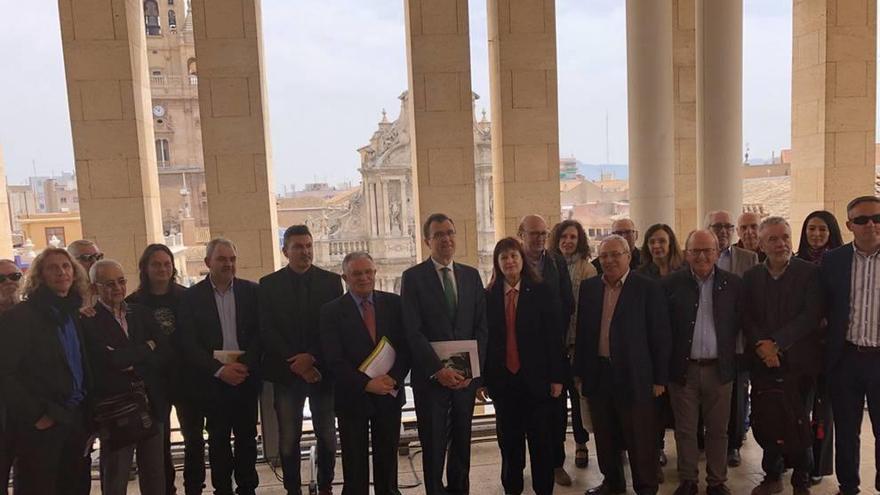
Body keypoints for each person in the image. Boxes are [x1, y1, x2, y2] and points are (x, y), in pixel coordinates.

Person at [574, 235, 671, 495]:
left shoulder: (647, 288)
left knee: (640, 439)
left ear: (628, 256)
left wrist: (660, 379)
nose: (609, 260)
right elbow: (584, 333)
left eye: (616, 254)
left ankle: (646, 487)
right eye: (604, 255)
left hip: (636, 376)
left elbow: (660, 336)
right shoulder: (590, 288)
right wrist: (581, 373)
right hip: (599, 375)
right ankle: (612, 483)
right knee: (605, 436)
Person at [400, 213, 488, 495]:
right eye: (439, 234)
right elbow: (412, 331)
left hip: (464, 380)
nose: (446, 239)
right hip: (431, 380)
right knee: (434, 446)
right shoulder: (412, 278)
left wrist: (471, 373)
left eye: (450, 232)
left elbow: (481, 327)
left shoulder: (471, 275)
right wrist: (438, 370)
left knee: (462, 445)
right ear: (428, 241)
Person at [0, 248, 92, 494]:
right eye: (53, 267)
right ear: (40, 276)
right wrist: (37, 416)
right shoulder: (20, 317)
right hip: (42, 424)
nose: (61, 272)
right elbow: (5, 375)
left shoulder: (74, 314)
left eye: (66, 266)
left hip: (75, 419)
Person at [742, 216, 823, 495]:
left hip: (799, 362)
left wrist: (777, 343)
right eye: (773, 239)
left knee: (798, 420)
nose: (781, 244)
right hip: (763, 363)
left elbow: (810, 316)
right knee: (769, 418)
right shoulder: (751, 277)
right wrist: (763, 347)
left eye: (785, 237)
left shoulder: (809, 273)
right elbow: (748, 317)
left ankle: (801, 477)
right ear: (761, 244)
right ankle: (772, 475)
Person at [319, 252, 410, 495]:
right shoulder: (330, 312)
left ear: (375, 273)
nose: (364, 278)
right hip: (352, 397)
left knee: (388, 458)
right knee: (354, 460)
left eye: (368, 272)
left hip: (389, 393)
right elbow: (333, 359)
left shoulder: (394, 304)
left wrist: (394, 378)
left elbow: (406, 347)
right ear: (345, 277)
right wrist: (366, 384)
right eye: (357, 273)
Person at [260, 225, 341, 495]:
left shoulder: (331, 282)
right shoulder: (269, 285)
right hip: (287, 374)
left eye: (308, 246)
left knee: (328, 436)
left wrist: (312, 358)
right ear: (285, 251)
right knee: (287, 439)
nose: (305, 251)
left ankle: (326, 485)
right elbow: (267, 330)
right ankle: (292, 489)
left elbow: (334, 327)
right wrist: (297, 363)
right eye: (298, 247)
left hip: (321, 373)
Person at [177, 238, 261, 495]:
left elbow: (262, 333)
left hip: (245, 377)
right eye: (222, 259)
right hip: (211, 381)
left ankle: (247, 488)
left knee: (247, 438)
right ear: (207, 263)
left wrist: (243, 366)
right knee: (218, 439)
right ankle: (222, 488)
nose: (228, 264)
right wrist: (219, 370)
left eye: (232, 259)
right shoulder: (191, 298)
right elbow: (188, 343)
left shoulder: (252, 291)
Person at [480, 237, 563, 495]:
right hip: (504, 384)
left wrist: (557, 378)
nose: (509, 261)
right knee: (510, 445)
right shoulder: (489, 295)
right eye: (503, 257)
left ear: (522, 259)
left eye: (513, 256)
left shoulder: (542, 291)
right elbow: (485, 340)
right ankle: (512, 490)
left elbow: (554, 337)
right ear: (497, 263)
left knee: (541, 445)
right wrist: (482, 379)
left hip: (537, 383)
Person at [662, 230, 743, 495]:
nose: (702, 256)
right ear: (686, 254)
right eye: (695, 250)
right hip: (683, 371)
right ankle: (688, 480)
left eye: (707, 250)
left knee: (718, 431)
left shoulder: (733, 284)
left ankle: (717, 481)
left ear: (717, 253)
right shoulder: (671, 284)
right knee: (685, 431)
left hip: (720, 370)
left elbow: (744, 324)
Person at [82, 259, 168, 495]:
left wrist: (131, 359)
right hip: (117, 409)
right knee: (116, 476)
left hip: (151, 402)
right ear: (94, 288)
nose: (118, 288)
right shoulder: (88, 321)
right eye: (109, 284)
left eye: (121, 281)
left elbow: (162, 350)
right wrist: (145, 348)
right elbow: (108, 361)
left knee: (155, 475)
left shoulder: (140, 312)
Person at [126, 244, 197, 495]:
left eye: (166, 263)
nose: (162, 268)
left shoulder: (187, 297)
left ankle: (194, 487)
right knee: (159, 444)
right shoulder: (132, 303)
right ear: (145, 268)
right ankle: (167, 490)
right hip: (153, 383)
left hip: (187, 379)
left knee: (193, 439)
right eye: (156, 264)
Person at [822, 196, 880, 495]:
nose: (871, 224)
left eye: (877, 218)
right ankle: (848, 486)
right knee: (846, 430)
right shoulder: (834, 261)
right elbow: (822, 308)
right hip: (846, 358)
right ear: (849, 226)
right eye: (862, 219)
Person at [518, 215, 575, 486]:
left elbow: (567, 302)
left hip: (553, 350)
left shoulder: (556, 260)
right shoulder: (511, 260)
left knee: (555, 412)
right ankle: (521, 471)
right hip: (520, 354)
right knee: (526, 416)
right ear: (521, 234)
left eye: (543, 232)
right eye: (533, 233)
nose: (539, 237)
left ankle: (556, 464)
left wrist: (553, 334)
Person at [706, 210, 759, 467]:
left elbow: (754, 301)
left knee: (738, 396)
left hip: (738, 341)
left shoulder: (749, 259)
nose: (723, 231)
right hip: (706, 340)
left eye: (728, 226)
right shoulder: (699, 255)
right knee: (710, 395)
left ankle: (734, 445)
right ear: (708, 228)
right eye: (718, 226)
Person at [795, 210, 844, 484]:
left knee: (824, 411)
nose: (816, 235)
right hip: (802, 347)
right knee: (799, 409)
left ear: (831, 232)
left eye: (822, 230)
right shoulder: (796, 261)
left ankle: (818, 465)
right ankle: (800, 460)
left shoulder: (840, 262)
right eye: (811, 229)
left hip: (830, 348)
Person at [549, 219, 597, 469]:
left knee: (579, 400)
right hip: (554, 347)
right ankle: (556, 454)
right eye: (564, 236)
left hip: (578, 345)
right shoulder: (548, 267)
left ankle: (581, 444)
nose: (568, 241)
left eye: (573, 237)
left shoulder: (587, 270)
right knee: (555, 402)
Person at [638, 224, 684, 473]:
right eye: (652, 242)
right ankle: (657, 449)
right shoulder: (641, 274)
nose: (657, 246)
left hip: (681, 347)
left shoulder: (684, 271)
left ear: (670, 243)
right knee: (655, 406)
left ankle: (686, 453)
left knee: (680, 406)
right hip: (652, 349)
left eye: (662, 241)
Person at [0, 259, 23, 495]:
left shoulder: (32, 318)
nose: (9, 283)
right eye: (1, 278)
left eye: (14, 276)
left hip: (29, 417)